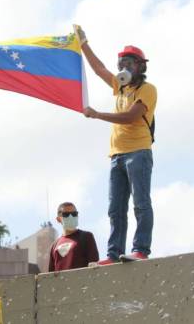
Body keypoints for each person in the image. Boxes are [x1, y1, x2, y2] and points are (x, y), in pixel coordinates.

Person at [75, 25, 157, 265]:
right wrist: (83, 44)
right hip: (117, 155)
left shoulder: (147, 90)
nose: (124, 67)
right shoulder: (119, 87)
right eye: (121, 63)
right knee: (115, 209)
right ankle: (113, 254)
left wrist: (98, 114)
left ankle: (140, 249)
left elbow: (131, 117)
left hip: (138, 152)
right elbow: (99, 68)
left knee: (141, 204)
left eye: (130, 63)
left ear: (141, 66)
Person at [48, 202, 99, 272]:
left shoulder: (87, 236)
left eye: (74, 214)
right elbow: (51, 275)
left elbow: (94, 267)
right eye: (66, 214)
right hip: (61, 282)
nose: (71, 217)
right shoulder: (54, 246)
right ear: (58, 219)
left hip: (82, 282)